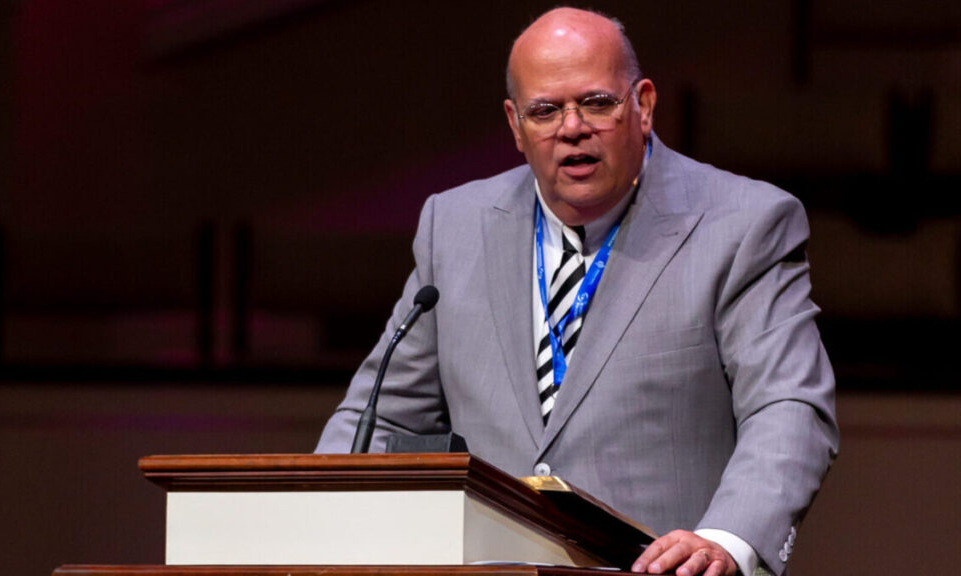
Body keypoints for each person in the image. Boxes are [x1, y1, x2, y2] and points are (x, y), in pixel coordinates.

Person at [316, 7, 838, 576]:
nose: (572, 128)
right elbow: (382, 422)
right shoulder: (455, 225)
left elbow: (788, 406)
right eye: (545, 111)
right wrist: (305, 522)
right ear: (515, 126)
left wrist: (727, 539)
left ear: (642, 104)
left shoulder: (743, 224)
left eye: (596, 103)